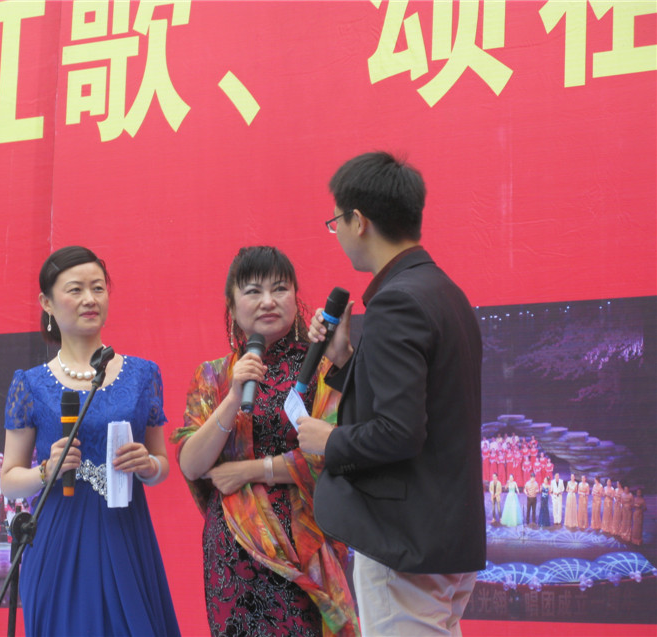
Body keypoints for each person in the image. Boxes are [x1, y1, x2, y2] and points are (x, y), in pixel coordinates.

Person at [297, 152, 485, 636]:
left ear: (358, 221)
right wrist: (344, 360)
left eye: (336, 222)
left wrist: (328, 440)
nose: (337, 232)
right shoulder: (444, 292)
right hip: (443, 535)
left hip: (404, 541)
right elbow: (422, 405)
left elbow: (399, 431)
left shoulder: (396, 301)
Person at [172, 246, 358, 637]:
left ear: (296, 297)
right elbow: (191, 464)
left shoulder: (325, 369)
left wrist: (249, 471)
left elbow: (337, 453)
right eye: (253, 291)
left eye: (280, 289)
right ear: (232, 304)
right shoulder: (214, 375)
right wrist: (232, 397)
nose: (268, 301)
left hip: (303, 549)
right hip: (231, 555)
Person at [0, 246, 179, 637]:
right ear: (47, 303)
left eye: (98, 288)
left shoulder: (143, 375)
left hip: (126, 533)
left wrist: (148, 466)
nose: (90, 299)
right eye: (75, 289)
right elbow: (9, 480)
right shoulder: (29, 384)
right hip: (58, 540)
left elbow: (162, 464)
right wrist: (46, 470)